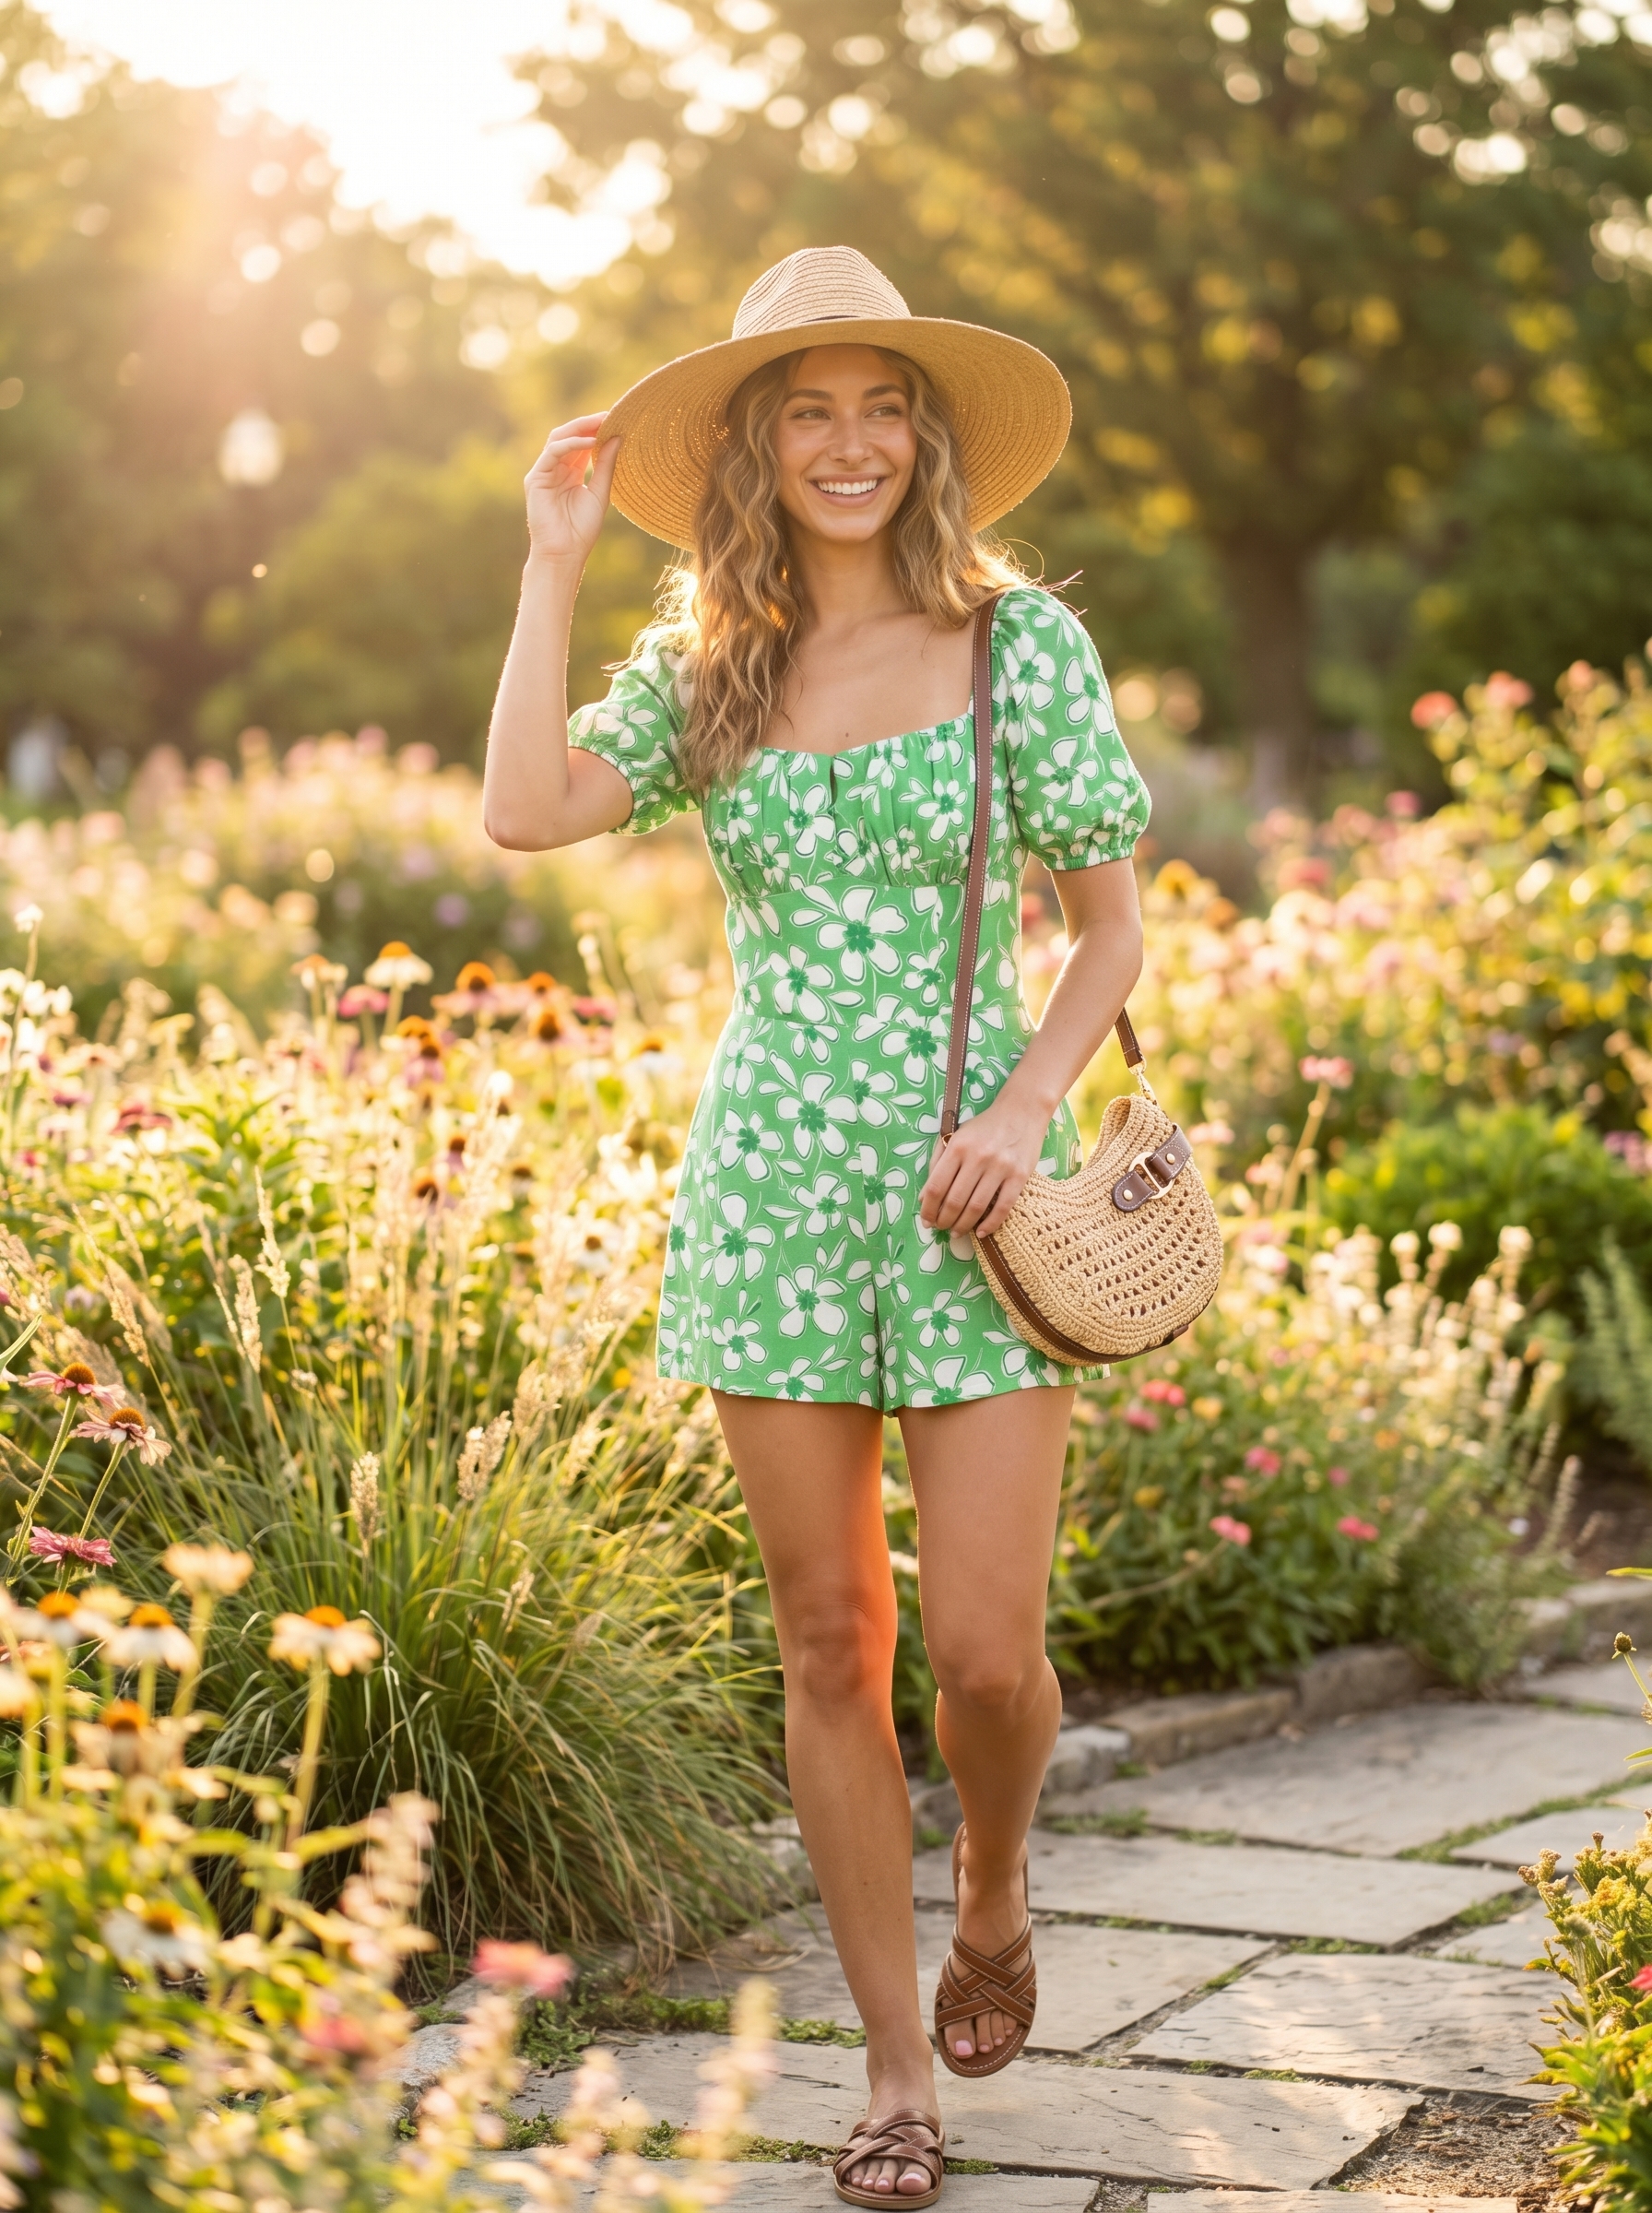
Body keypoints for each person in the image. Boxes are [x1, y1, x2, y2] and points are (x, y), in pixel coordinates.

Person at [484, 246, 1149, 2207]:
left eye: (879, 406)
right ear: (758, 450)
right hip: (770, 1191)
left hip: (972, 1201)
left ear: (922, 436)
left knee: (981, 1655)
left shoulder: (1013, 647)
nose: (846, 442)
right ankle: (887, 2072)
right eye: (807, 409)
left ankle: (1000, 1888)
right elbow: (525, 808)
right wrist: (549, 560)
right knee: (825, 1638)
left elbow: (1106, 927)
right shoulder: (713, 668)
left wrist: (1020, 1114)